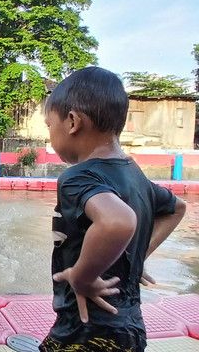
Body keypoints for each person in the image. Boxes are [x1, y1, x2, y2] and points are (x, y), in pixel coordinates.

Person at [39, 67, 186, 352]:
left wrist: (82, 278)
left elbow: (117, 221)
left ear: (72, 122)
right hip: (129, 328)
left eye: (49, 124)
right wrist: (137, 256)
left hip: (86, 330)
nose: (50, 133)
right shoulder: (134, 175)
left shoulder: (78, 177)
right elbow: (175, 209)